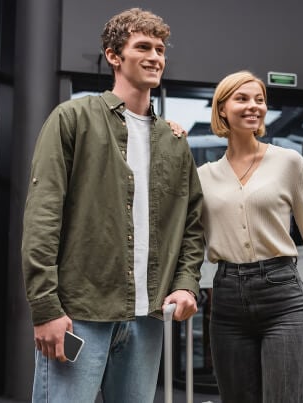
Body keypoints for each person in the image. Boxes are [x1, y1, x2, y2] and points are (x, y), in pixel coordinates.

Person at [21, 8, 204, 403]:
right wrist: (45, 307)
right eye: (143, 47)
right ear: (114, 56)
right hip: (80, 314)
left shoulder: (174, 142)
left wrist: (187, 283)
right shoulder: (72, 118)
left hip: (148, 319)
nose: (156, 56)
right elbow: (43, 216)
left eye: (160, 48)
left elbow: (192, 224)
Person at [197, 70, 303, 403]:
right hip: (227, 297)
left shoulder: (288, 162)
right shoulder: (204, 175)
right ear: (222, 109)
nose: (253, 106)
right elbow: (192, 240)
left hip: (282, 294)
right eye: (242, 98)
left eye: (259, 100)